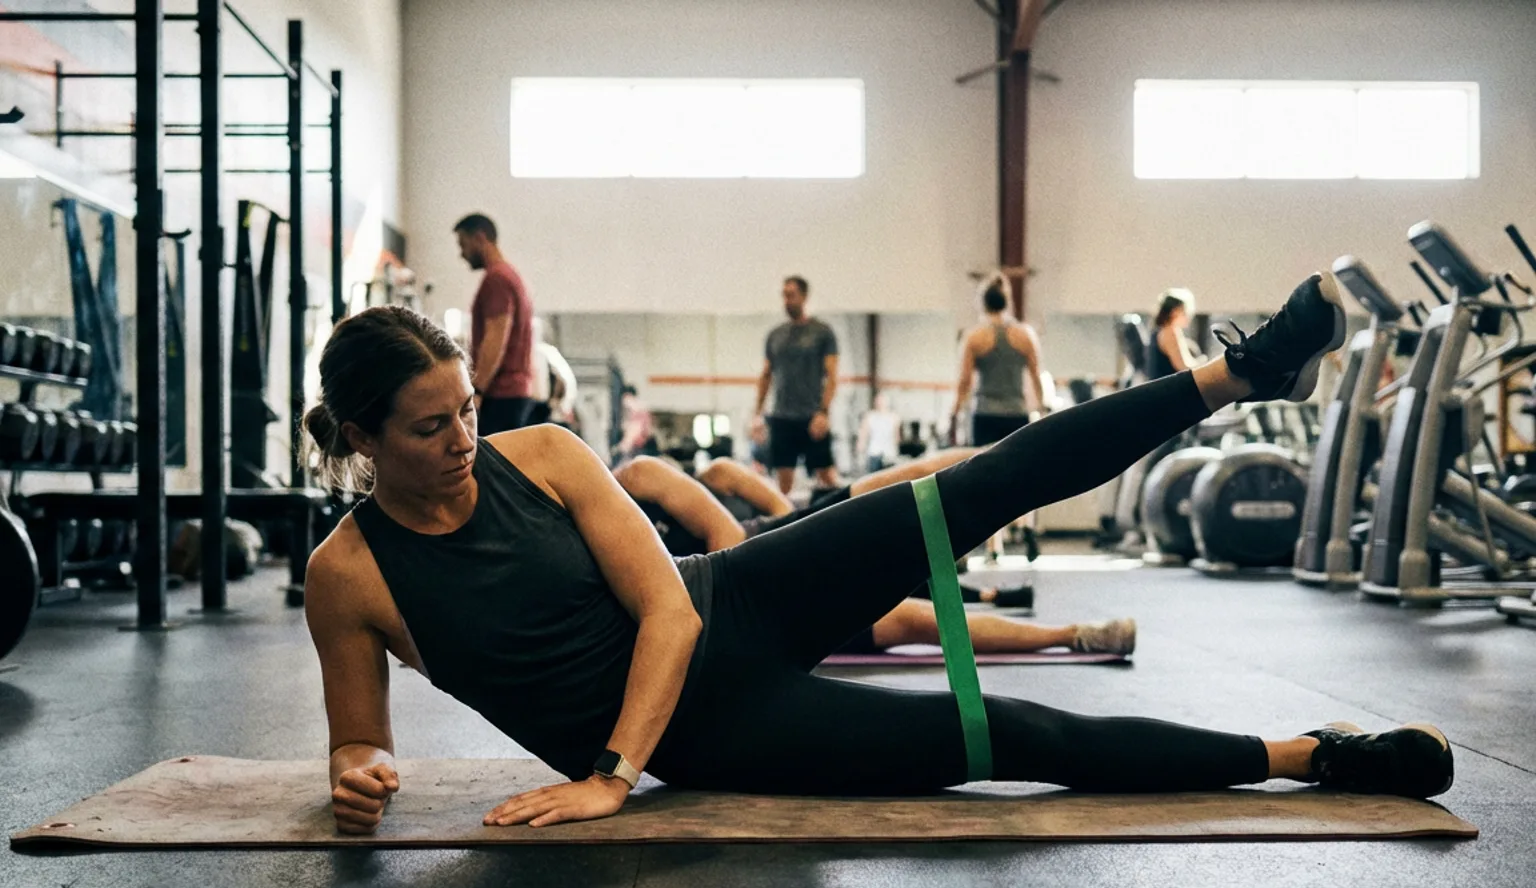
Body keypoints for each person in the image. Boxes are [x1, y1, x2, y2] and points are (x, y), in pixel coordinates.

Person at [303, 273, 1454, 837]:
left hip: (725, 604)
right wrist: (361, 773)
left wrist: (607, 779)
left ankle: (1238, 374)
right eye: (429, 425)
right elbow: (361, 739)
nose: (463, 440)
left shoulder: (542, 453)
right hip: (710, 729)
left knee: (975, 487)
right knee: (1007, 736)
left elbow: (668, 611)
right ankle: (1314, 756)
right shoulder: (349, 579)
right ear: (361, 437)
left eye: (465, 409)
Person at [611, 453, 1130, 655]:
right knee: (915, 623)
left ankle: (1019, 463)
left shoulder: (638, 477)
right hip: (760, 610)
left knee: (891, 487)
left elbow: (729, 536)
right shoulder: (593, 570)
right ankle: (1075, 635)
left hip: (772, 551)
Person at [752, 276, 839, 494]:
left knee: (827, 479)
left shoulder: (822, 333)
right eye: (784, 295)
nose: (787, 300)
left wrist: (823, 413)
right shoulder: (775, 335)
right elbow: (765, 375)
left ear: (804, 297)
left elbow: (832, 376)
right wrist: (757, 413)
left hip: (812, 417)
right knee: (782, 485)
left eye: (791, 295)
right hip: (782, 417)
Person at [454, 213, 537, 433]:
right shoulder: (510, 276)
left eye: (463, 244)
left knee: (490, 464)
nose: (461, 254)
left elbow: (496, 338)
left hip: (502, 392)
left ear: (480, 238)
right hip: (513, 392)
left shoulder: (497, 279)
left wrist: (477, 390)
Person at [951, 273, 1047, 446]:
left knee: (984, 470)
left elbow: (964, 381)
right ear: (1006, 301)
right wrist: (1042, 411)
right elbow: (1036, 377)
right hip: (1016, 416)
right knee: (1016, 471)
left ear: (983, 304)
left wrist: (954, 414)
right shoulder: (1026, 336)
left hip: (985, 416)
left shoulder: (974, 337)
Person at [1148, 288, 1202, 380]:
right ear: (1176, 311)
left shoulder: (1158, 330)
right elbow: (1183, 367)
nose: (1188, 317)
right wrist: (1205, 365)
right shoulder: (1171, 331)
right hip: (1168, 391)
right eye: (1186, 312)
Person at [857, 392, 901, 474]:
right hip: (874, 452)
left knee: (889, 480)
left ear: (888, 402)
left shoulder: (894, 417)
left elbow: (897, 437)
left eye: (883, 401)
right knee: (873, 479)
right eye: (879, 401)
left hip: (889, 453)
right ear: (875, 402)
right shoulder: (870, 416)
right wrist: (860, 445)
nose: (881, 403)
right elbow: (863, 433)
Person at [615, 385, 658, 459]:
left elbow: (634, 429)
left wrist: (622, 446)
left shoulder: (637, 410)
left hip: (638, 448)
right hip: (640, 446)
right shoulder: (641, 409)